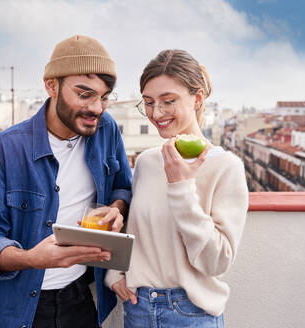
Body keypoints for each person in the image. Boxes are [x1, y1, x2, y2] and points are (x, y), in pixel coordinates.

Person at [0, 35, 132, 328]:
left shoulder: (107, 130)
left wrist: (116, 209)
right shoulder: (5, 147)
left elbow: (122, 186)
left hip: (79, 299)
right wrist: (32, 258)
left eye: (104, 97)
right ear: (51, 85)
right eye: (84, 94)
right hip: (12, 306)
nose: (97, 108)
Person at [105, 49, 249, 328]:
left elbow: (216, 261)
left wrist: (181, 187)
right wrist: (115, 274)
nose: (156, 113)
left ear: (198, 98)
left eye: (168, 101)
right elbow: (135, 231)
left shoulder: (226, 167)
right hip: (138, 309)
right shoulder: (147, 162)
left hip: (192, 313)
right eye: (148, 102)